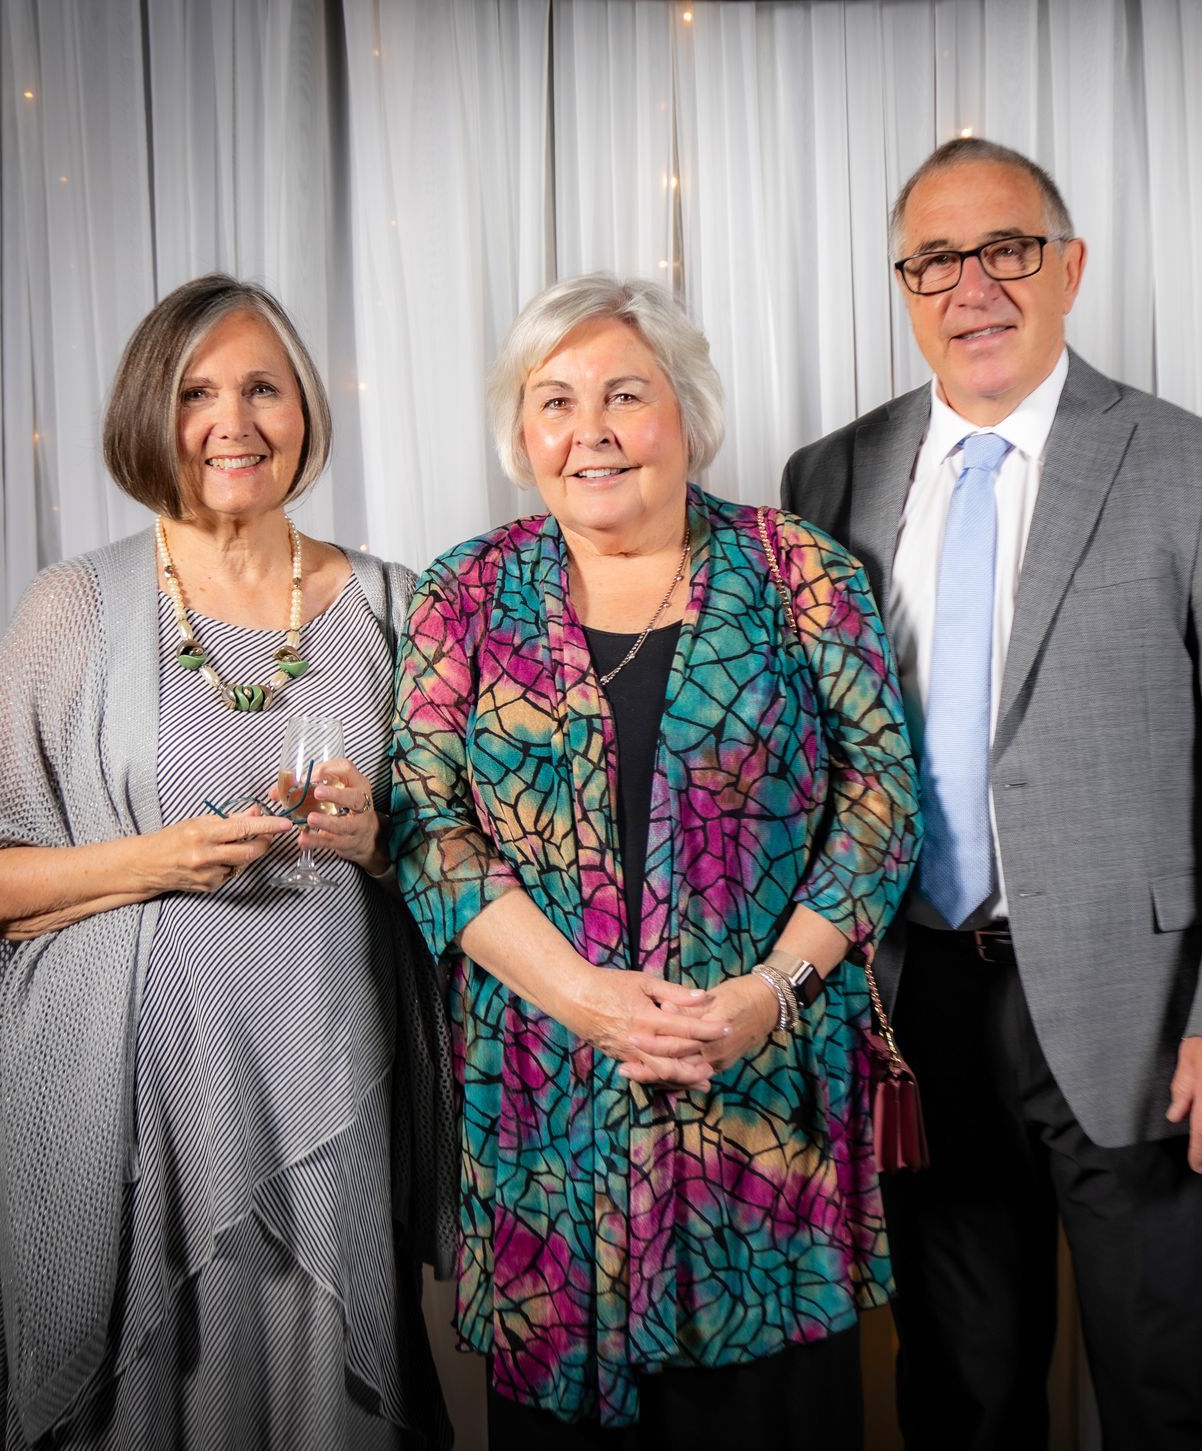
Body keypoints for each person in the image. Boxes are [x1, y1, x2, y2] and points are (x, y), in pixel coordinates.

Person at [781, 137, 1202, 1449]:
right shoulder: (826, 479)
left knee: (1176, 1393)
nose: (973, 285)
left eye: (1006, 249)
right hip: (918, 1008)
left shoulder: (1192, 464)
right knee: (963, 1396)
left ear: (1068, 266)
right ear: (904, 287)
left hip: (1154, 1025)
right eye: (935, 260)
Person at [0, 273, 451, 1449]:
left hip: (325, 1087)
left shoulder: (393, 604)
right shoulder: (73, 608)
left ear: (305, 406)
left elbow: (451, 860)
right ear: (151, 413)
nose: (233, 421)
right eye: (198, 391)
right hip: (123, 1116)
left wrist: (377, 836)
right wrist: (154, 857)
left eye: (263, 386)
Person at [389, 272, 921, 1447]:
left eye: (625, 394)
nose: (592, 432)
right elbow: (425, 827)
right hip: (543, 1122)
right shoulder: (464, 593)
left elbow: (883, 804)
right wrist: (585, 998)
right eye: (555, 401)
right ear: (522, 433)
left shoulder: (801, 572)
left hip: (763, 1118)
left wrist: (767, 994)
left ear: (684, 409)